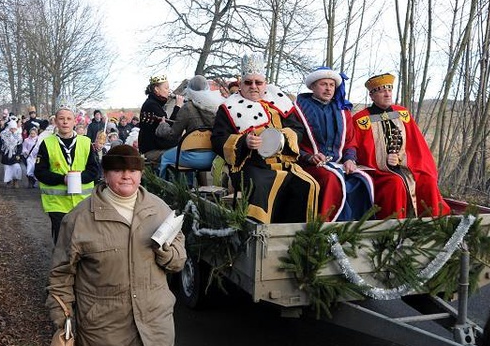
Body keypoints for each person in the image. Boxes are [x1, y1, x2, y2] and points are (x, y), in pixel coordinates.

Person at [45, 144, 186, 346]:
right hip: (103, 313)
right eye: (119, 169)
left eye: (133, 169)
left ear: (140, 173)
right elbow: (60, 275)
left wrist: (165, 251)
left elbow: (178, 260)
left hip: (153, 311)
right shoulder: (79, 219)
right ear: (106, 174)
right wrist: (63, 319)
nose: (127, 175)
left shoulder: (159, 209)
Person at [211, 54, 320, 224]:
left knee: (308, 185)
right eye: (248, 82)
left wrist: (284, 137)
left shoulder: (280, 103)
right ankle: (259, 237)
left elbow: (298, 130)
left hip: (285, 164)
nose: (253, 87)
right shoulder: (228, 109)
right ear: (241, 85)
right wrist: (244, 142)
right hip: (251, 166)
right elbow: (217, 140)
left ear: (265, 84)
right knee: (261, 185)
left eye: (258, 82)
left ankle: (294, 238)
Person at [352, 73, 450, 219]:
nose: (387, 94)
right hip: (379, 172)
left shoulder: (402, 113)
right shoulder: (361, 120)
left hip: (407, 166)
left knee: (427, 181)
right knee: (395, 183)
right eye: (381, 90)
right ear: (372, 96)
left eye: (389, 90)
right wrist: (384, 160)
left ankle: (435, 225)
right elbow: (358, 151)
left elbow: (417, 146)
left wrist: (401, 158)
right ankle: (395, 228)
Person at [295, 67, 374, 221]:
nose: (328, 89)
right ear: (312, 87)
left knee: (363, 179)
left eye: (331, 85)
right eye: (323, 84)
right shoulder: (298, 109)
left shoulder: (342, 111)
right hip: (308, 164)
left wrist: (350, 159)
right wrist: (309, 157)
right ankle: (327, 229)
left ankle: (357, 229)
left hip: (339, 164)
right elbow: (292, 142)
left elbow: (350, 141)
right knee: (331, 179)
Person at [34, 94, 100, 243]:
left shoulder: (85, 142)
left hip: (83, 203)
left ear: (75, 121)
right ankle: (61, 265)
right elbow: (40, 172)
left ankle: (78, 266)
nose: (65, 122)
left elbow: (94, 171)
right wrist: (62, 179)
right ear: (55, 121)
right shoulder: (47, 143)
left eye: (69, 118)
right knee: (62, 242)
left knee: (82, 241)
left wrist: (78, 179)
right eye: (61, 118)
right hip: (57, 204)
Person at [158, 75, 222, 183]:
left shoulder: (187, 108)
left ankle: (163, 189)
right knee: (185, 149)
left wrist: (163, 126)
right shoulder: (216, 106)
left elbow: (172, 135)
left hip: (192, 158)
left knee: (166, 157)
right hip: (214, 157)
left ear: (190, 90)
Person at [138, 75, 184, 166]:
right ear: (156, 89)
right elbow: (168, 130)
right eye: (166, 88)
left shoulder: (155, 104)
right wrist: (177, 107)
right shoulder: (152, 105)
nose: (169, 92)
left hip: (159, 148)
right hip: (153, 151)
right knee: (185, 157)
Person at [0, 119, 24, 188]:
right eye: (12, 129)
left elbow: (20, 146)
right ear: (9, 128)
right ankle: (8, 182)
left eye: (14, 129)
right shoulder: (3, 134)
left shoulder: (18, 136)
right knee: (7, 169)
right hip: (6, 155)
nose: (13, 130)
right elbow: (0, 144)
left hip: (15, 155)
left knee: (17, 168)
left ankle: (15, 181)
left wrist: (18, 154)